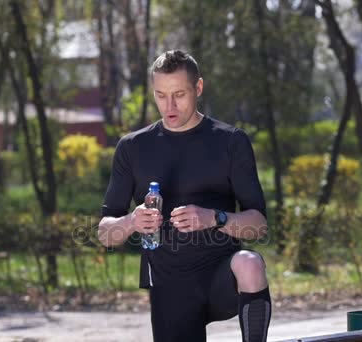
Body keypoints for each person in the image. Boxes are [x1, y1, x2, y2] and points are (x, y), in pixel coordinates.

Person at [98, 50, 271, 342]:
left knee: (250, 263)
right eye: (161, 95)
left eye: (179, 94)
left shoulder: (230, 141)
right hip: (169, 286)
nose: (169, 105)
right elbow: (105, 234)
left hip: (220, 274)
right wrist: (132, 221)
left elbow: (259, 225)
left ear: (198, 88)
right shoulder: (132, 148)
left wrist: (214, 218)